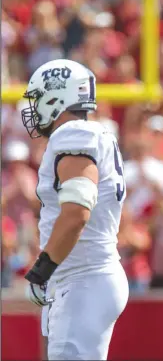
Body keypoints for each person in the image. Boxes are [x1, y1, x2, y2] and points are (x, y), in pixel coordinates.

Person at [21, 59, 128, 359]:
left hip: (84, 278)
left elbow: (77, 211)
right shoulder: (95, 134)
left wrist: (43, 269)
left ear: (57, 97)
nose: (35, 108)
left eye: (38, 98)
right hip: (86, 276)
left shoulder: (72, 135)